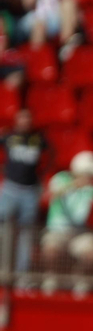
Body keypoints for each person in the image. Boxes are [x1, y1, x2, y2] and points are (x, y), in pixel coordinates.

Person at [39, 150, 93, 294]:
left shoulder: (92, 188)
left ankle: (78, 276)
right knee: (50, 250)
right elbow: (51, 194)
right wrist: (75, 184)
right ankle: (52, 277)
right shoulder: (61, 178)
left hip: (79, 232)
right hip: (57, 230)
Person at [1, 108, 47, 274]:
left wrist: (42, 175)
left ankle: (22, 273)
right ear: (16, 120)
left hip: (30, 192)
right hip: (10, 189)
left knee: (26, 233)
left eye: (28, 118)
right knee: (2, 227)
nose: (25, 121)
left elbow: (51, 156)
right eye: (22, 118)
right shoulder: (8, 137)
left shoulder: (38, 139)